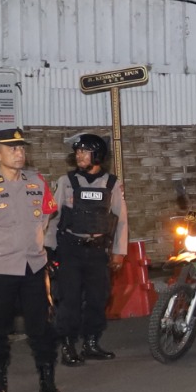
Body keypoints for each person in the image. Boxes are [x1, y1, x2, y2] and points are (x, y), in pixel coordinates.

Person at [0, 127, 64, 392]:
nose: (19, 153)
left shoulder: (37, 183)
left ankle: (47, 384)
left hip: (34, 267)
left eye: (21, 148)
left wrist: (34, 244)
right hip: (0, 270)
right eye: (12, 149)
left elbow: (45, 217)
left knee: (42, 328)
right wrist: (2, 249)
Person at [49, 133, 128, 365]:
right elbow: (53, 218)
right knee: (69, 300)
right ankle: (68, 345)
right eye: (77, 151)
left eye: (84, 151)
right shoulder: (66, 182)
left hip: (97, 252)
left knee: (97, 299)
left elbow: (121, 220)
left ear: (98, 155)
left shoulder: (111, 184)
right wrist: (48, 249)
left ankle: (91, 343)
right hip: (70, 250)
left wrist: (119, 252)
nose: (79, 155)